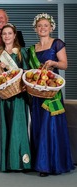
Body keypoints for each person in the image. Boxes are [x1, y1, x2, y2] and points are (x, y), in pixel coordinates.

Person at [29, 13, 74, 177]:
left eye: (45, 25)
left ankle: (51, 164)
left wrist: (54, 63)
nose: (42, 28)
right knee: (39, 126)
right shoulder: (32, 49)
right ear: (35, 29)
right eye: (39, 26)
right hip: (37, 92)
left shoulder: (57, 44)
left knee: (51, 126)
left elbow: (65, 64)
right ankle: (41, 163)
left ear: (51, 27)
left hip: (51, 92)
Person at [0, 23, 31, 172]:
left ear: (14, 35)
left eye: (9, 33)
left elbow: (27, 72)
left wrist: (14, 72)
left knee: (18, 127)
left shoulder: (21, 52)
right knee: (6, 126)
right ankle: (8, 162)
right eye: (4, 34)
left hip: (18, 95)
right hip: (4, 95)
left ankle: (22, 162)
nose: (7, 36)